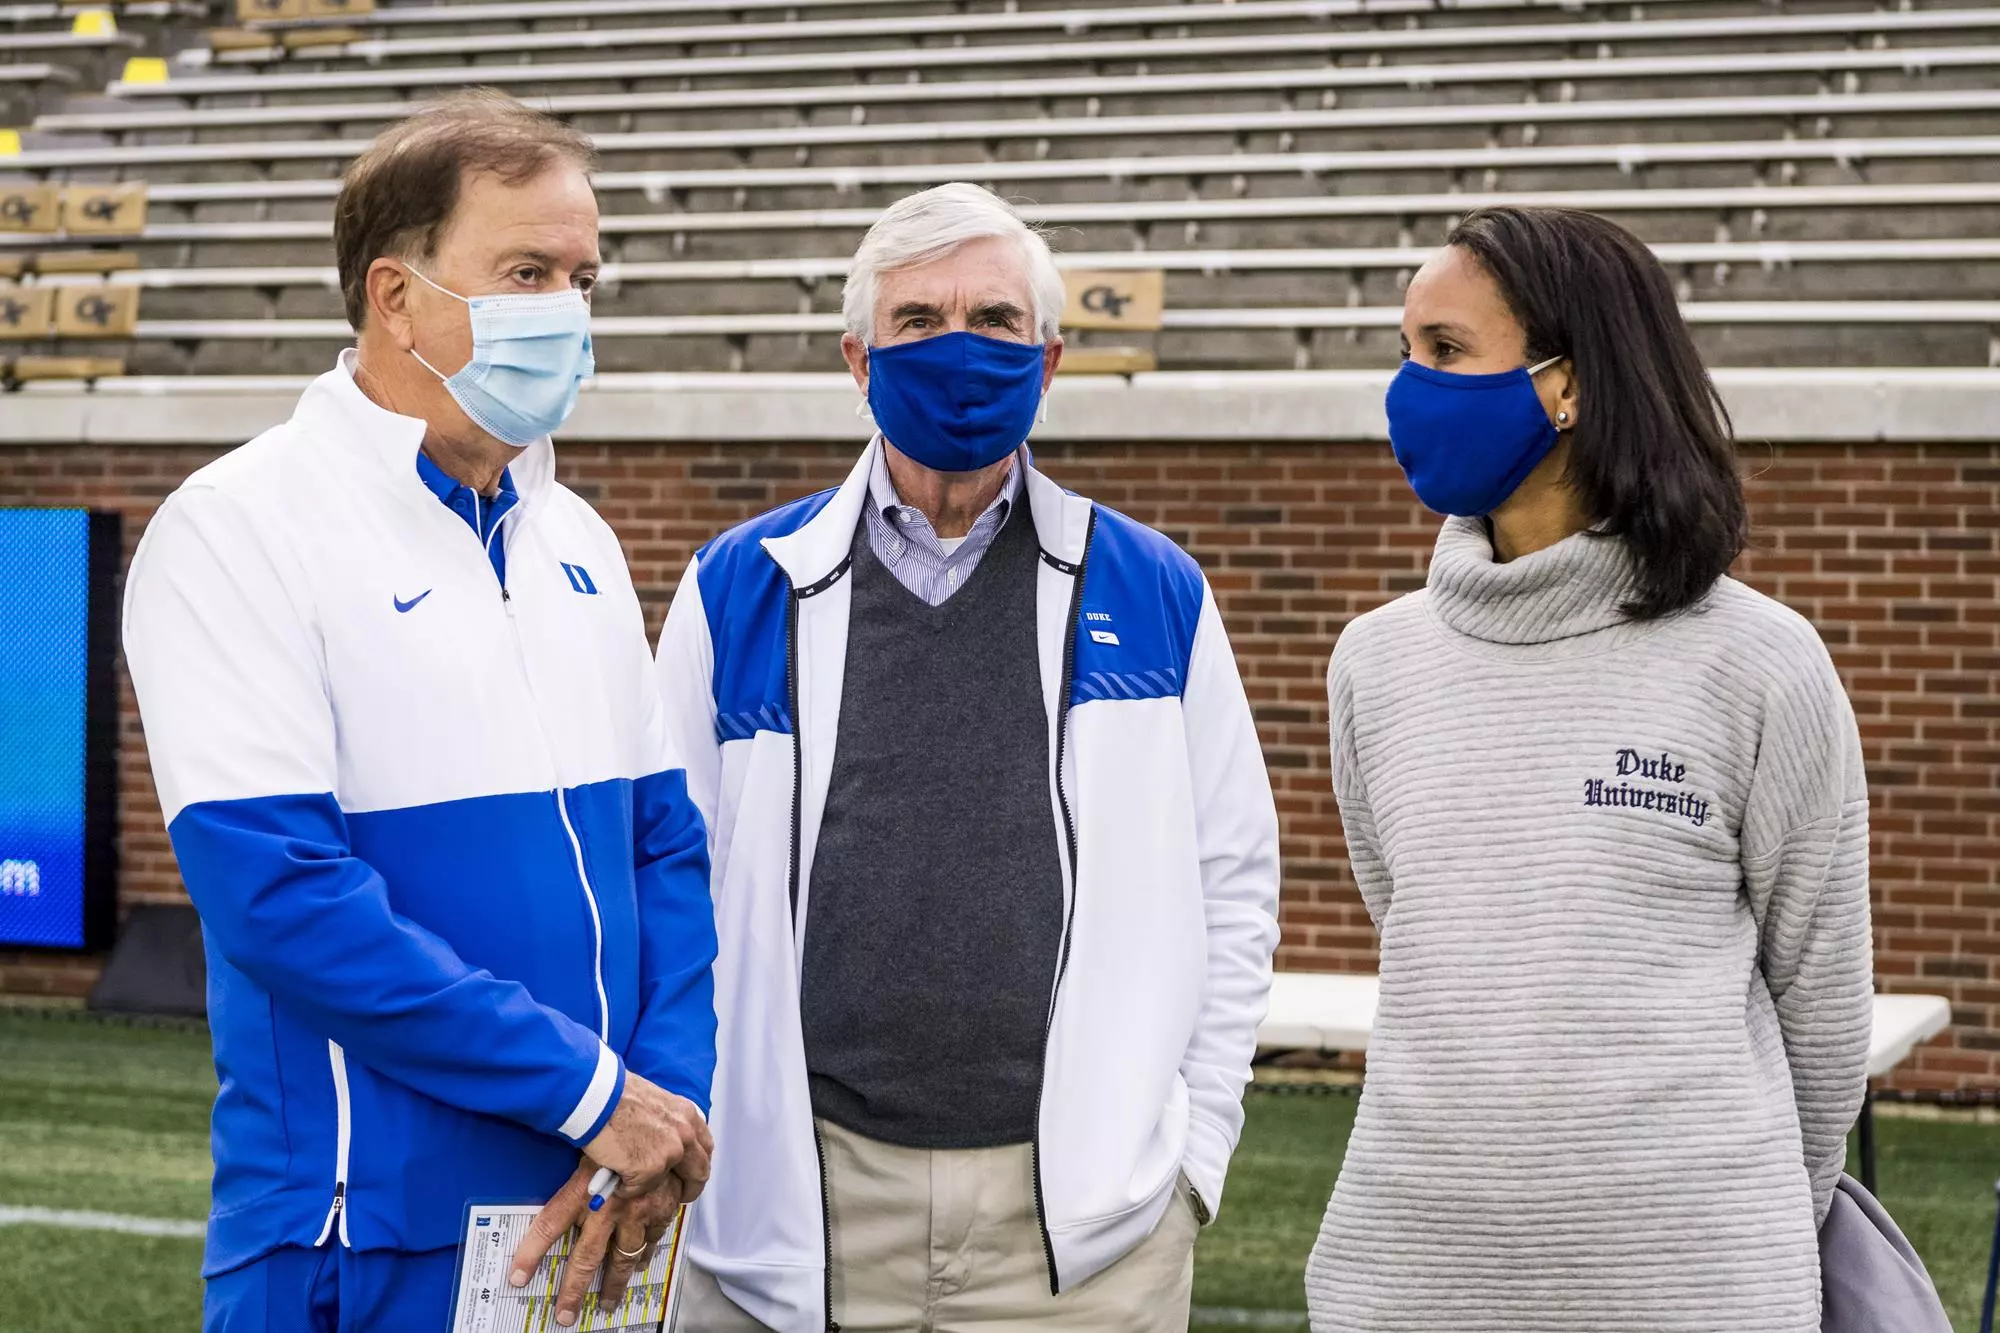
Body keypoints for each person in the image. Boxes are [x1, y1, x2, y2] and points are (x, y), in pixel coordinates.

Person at [122, 92, 718, 1333]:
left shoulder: (581, 538)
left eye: (582, 277)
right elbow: (281, 899)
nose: (565, 310)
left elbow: (665, 849)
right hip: (358, 1235)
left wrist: (661, 1113)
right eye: (524, 271)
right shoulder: (238, 528)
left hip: (594, 1204)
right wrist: (590, 1091)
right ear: (394, 295)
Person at [653, 181, 1282, 1332]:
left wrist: (1194, 1152)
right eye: (918, 321)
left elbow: (1231, 883)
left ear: (1045, 363)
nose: (959, 349)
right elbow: (665, 877)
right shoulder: (738, 586)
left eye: (994, 322)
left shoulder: (1153, 591)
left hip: (1082, 1233)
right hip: (802, 1202)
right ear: (857, 359)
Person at [1306, 205, 1874, 1331]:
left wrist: (1728, 1223)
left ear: (1569, 384)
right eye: (1403, 347)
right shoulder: (1373, 663)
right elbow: (1429, 946)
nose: (1407, 386)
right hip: (1404, 1279)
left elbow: (1820, 1001)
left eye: (1445, 351)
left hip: (1698, 1287)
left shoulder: (1758, 659)